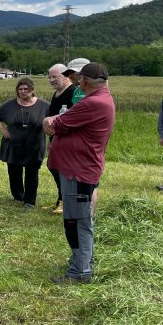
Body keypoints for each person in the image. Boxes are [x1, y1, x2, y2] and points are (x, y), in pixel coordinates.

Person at [44, 63, 115, 284]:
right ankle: (82, 261)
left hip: (78, 170)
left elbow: (59, 124)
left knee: (76, 221)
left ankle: (80, 271)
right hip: (78, 167)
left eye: (78, 79)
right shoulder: (101, 99)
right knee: (77, 219)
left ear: (83, 81)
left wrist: (49, 120)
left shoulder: (92, 103)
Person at [0, 78, 50, 208]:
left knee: (32, 173)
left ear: (32, 90)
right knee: (14, 171)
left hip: (34, 145)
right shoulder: (10, 104)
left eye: (26, 89)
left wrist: (50, 130)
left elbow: (55, 118)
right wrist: (3, 130)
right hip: (14, 144)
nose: (23, 92)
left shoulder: (44, 105)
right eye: (20, 89)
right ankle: (18, 196)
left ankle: (29, 201)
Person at [46, 63, 77, 214]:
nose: (51, 80)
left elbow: (73, 115)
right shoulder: (57, 93)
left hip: (68, 139)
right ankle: (60, 199)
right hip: (55, 138)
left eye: (55, 76)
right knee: (53, 167)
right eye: (49, 77)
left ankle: (66, 202)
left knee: (63, 170)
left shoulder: (73, 92)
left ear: (65, 75)